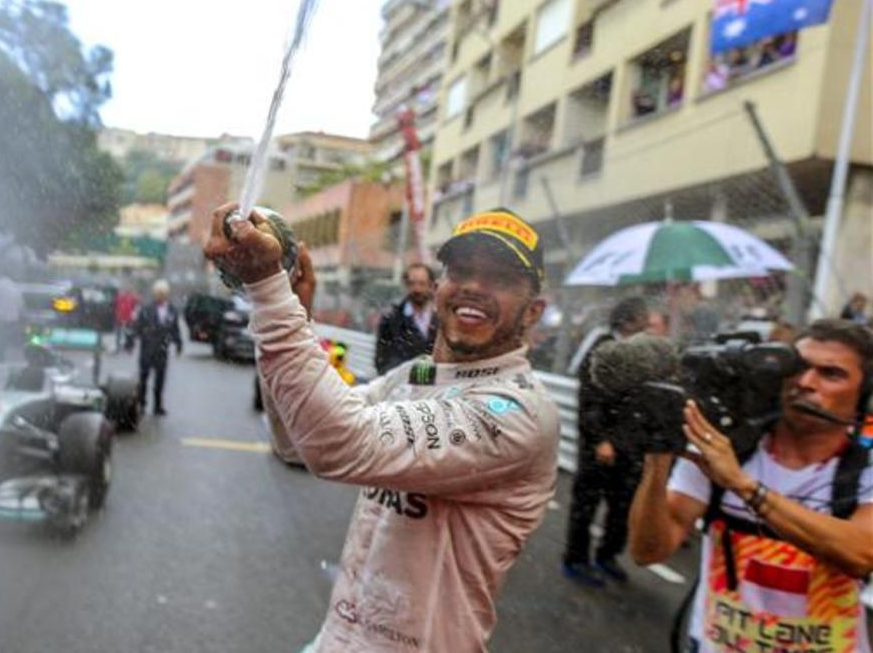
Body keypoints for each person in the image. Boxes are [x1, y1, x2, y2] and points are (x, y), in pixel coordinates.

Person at [205, 204, 560, 652]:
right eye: (462, 271)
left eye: (502, 278)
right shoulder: (413, 375)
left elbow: (340, 445)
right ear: (439, 287)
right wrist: (288, 309)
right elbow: (297, 443)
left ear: (533, 311)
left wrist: (267, 293)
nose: (474, 286)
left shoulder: (521, 411)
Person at [629, 319, 873, 653]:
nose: (805, 382)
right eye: (798, 367)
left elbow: (861, 554)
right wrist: (657, 458)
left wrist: (743, 487)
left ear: (864, 394)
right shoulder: (726, 449)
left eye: (830, 374)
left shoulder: (866, 470)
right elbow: (648, 551)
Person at [562, 296, 651, 586]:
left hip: (629, 443)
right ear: (627, 321)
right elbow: (590, 399)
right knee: (586, 503)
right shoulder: (601, 347)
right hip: (599, 444)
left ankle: (607, 555)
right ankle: (575, 559)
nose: (647, 323)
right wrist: (600, 439)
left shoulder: (641, 351)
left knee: (622, 505)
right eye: (642, 318)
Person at [125, 280, 182, 416]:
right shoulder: (146, 309)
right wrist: (130, 342)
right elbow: (137, 327)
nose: (160, 296)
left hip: (162, 350)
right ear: (154, 294)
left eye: (162, 294)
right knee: (143, 379)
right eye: (158, 294)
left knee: (160, 380)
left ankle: (158, 406)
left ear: (166, 295)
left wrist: (179, 343)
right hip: (147, 349)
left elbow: (175, 329)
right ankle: (142, 403)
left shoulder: (172, 310)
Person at [374, 263, 438, 375]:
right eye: (412, 283)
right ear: (406, 285)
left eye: (422, 284)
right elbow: (382, 358)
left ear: (431, 286)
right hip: (402, 384)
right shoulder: (392, 320)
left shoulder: (442, 319)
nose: (417, 289)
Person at [0, 262, 24, 363]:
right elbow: (20, 306)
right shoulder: (14, 286)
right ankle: (1, 359)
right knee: (5, 343)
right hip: (12, 321)